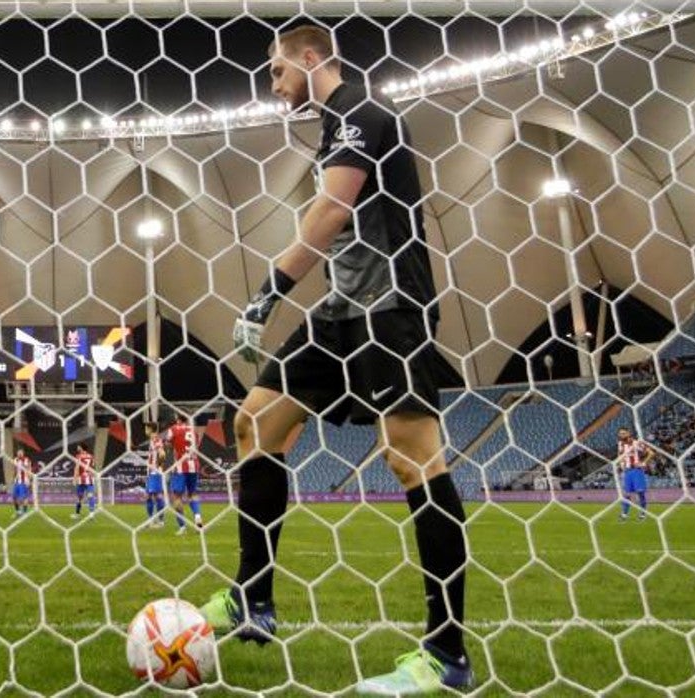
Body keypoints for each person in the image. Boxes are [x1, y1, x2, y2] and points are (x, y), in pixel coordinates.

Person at [199, 24, 472, 694]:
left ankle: (446, 655)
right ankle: (252, 601)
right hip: (342, 309)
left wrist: (267, 296)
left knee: (410, 453)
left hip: (392, 305)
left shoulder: (360, 111)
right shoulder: (331, 126)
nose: (271, 84)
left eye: (275, 70)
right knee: (255, 423)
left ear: (310, 56)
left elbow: (328, 211)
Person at [166, 414, 203, 534]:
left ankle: (182, 527)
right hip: (194, 465)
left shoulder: (173, 429)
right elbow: (195, 446)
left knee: (176, 497)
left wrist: (171, 445)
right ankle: (197, 517)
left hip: (180, 467)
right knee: (192, 494)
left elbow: (167, 444)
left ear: (177, 419)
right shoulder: (193, 430)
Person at [617, 427, 655, 521]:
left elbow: (651, 453)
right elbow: (619, 454)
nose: (622, 435)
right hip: (627, 472)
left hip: (637, 471)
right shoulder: (620, 444)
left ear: (628, 433)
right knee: (626, 494)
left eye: (624, 433)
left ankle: (642, 514)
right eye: (620, 434)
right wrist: (621, 464)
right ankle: (624, 514)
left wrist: (644, 463)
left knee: (640, 493)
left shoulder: (637, 443)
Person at [143, 423, 167, 528]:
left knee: (157, 496)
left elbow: (162, 453)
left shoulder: (155, 438)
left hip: (155, 472)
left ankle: (161, 522)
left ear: (149, 429)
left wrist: (158, 465)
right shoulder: (152, 439)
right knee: (148, 497)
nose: (145, 430)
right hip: (150, 472)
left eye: (146, 428)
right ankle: (151, 521)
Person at [71, 444, 97, 518]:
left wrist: (74, 479)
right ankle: (91, 513)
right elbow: (93, 466)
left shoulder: (78, 456)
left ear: (81, 448)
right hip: (90, 479)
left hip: (81, 479)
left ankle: (77, 514)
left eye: (78, 446)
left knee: (79, 497)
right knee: (90, 496)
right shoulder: (91, 456)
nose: (77, 447)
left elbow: (76, 468)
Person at [11, 449, 34, 517]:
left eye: (21, 453)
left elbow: (28, 469)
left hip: (24, 481)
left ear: (23, 453)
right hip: (17, 481)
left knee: (23, 498)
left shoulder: (26, 459)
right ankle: (18, 511)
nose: (19, 454)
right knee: (14, 497)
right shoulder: (15, 460)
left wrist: (29, 480)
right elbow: (15, 470)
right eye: (18, 453)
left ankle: (24, 512)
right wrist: (14, 478)